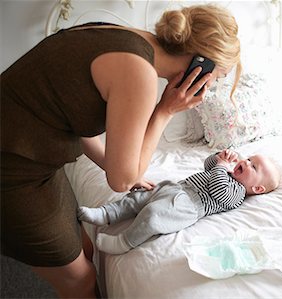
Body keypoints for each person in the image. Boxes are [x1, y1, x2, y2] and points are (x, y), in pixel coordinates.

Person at [1, 4, 241, 298]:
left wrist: (116, 164)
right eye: (219, 75)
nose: (213, 84)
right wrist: (164, 111)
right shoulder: (138, 72)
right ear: (200, 65)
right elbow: (122, 182)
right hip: (12, 170)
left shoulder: (124, 37)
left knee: (84, 247)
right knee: (81, 281)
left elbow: (72, 119)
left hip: (32, 155)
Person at [77, 149, 281, 254]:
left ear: (257, 189)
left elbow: (218, 190)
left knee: (153, 215)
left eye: (253, 167)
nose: (245, 162)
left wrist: (222, 167)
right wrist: (219, 157)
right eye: (249, 158)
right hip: (178, 187)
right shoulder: (227, 170)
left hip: (189, 206)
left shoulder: (237, 193)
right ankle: (106, 213)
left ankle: (125, 242)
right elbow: (208, 166)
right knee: (139, 197)